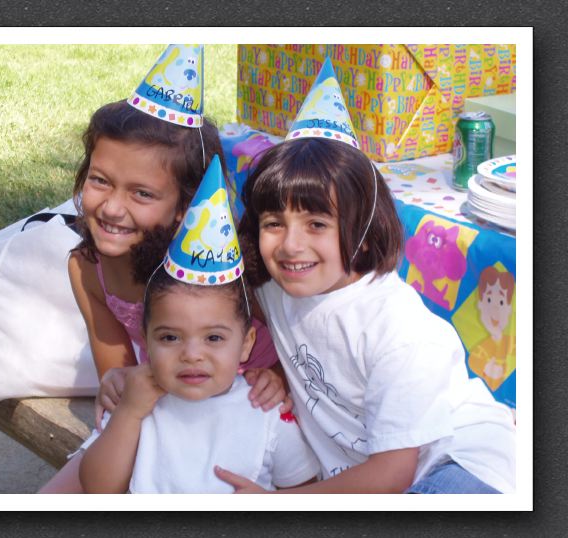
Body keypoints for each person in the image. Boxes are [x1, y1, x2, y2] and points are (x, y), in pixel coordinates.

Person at [215, 58, 516, 494]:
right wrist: (276, 368)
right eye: (273, 223)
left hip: (456, 462)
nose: (290, 245)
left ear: (365, 232)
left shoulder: (398, 329)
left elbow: (392, 475)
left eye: (317, 224)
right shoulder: (271, 287)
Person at [39, 45, 287, 494]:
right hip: (164, 404)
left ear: (184, 207)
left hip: (249, 410)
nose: (112, 207)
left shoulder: (218, 273)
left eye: (142, 194)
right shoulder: (86, 269)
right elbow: (117, 371)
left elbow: (294, 343)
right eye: (100, 180)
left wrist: (280, 379)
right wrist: (116, 383)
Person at [79, 158, 319, 493]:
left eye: (214, 337)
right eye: (170, 337)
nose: (192, 354)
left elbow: (301, 490)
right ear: (145, 339)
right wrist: (130, 413)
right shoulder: (136, 401)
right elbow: (98, 488)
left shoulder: (267, 412)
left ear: (247, 342)